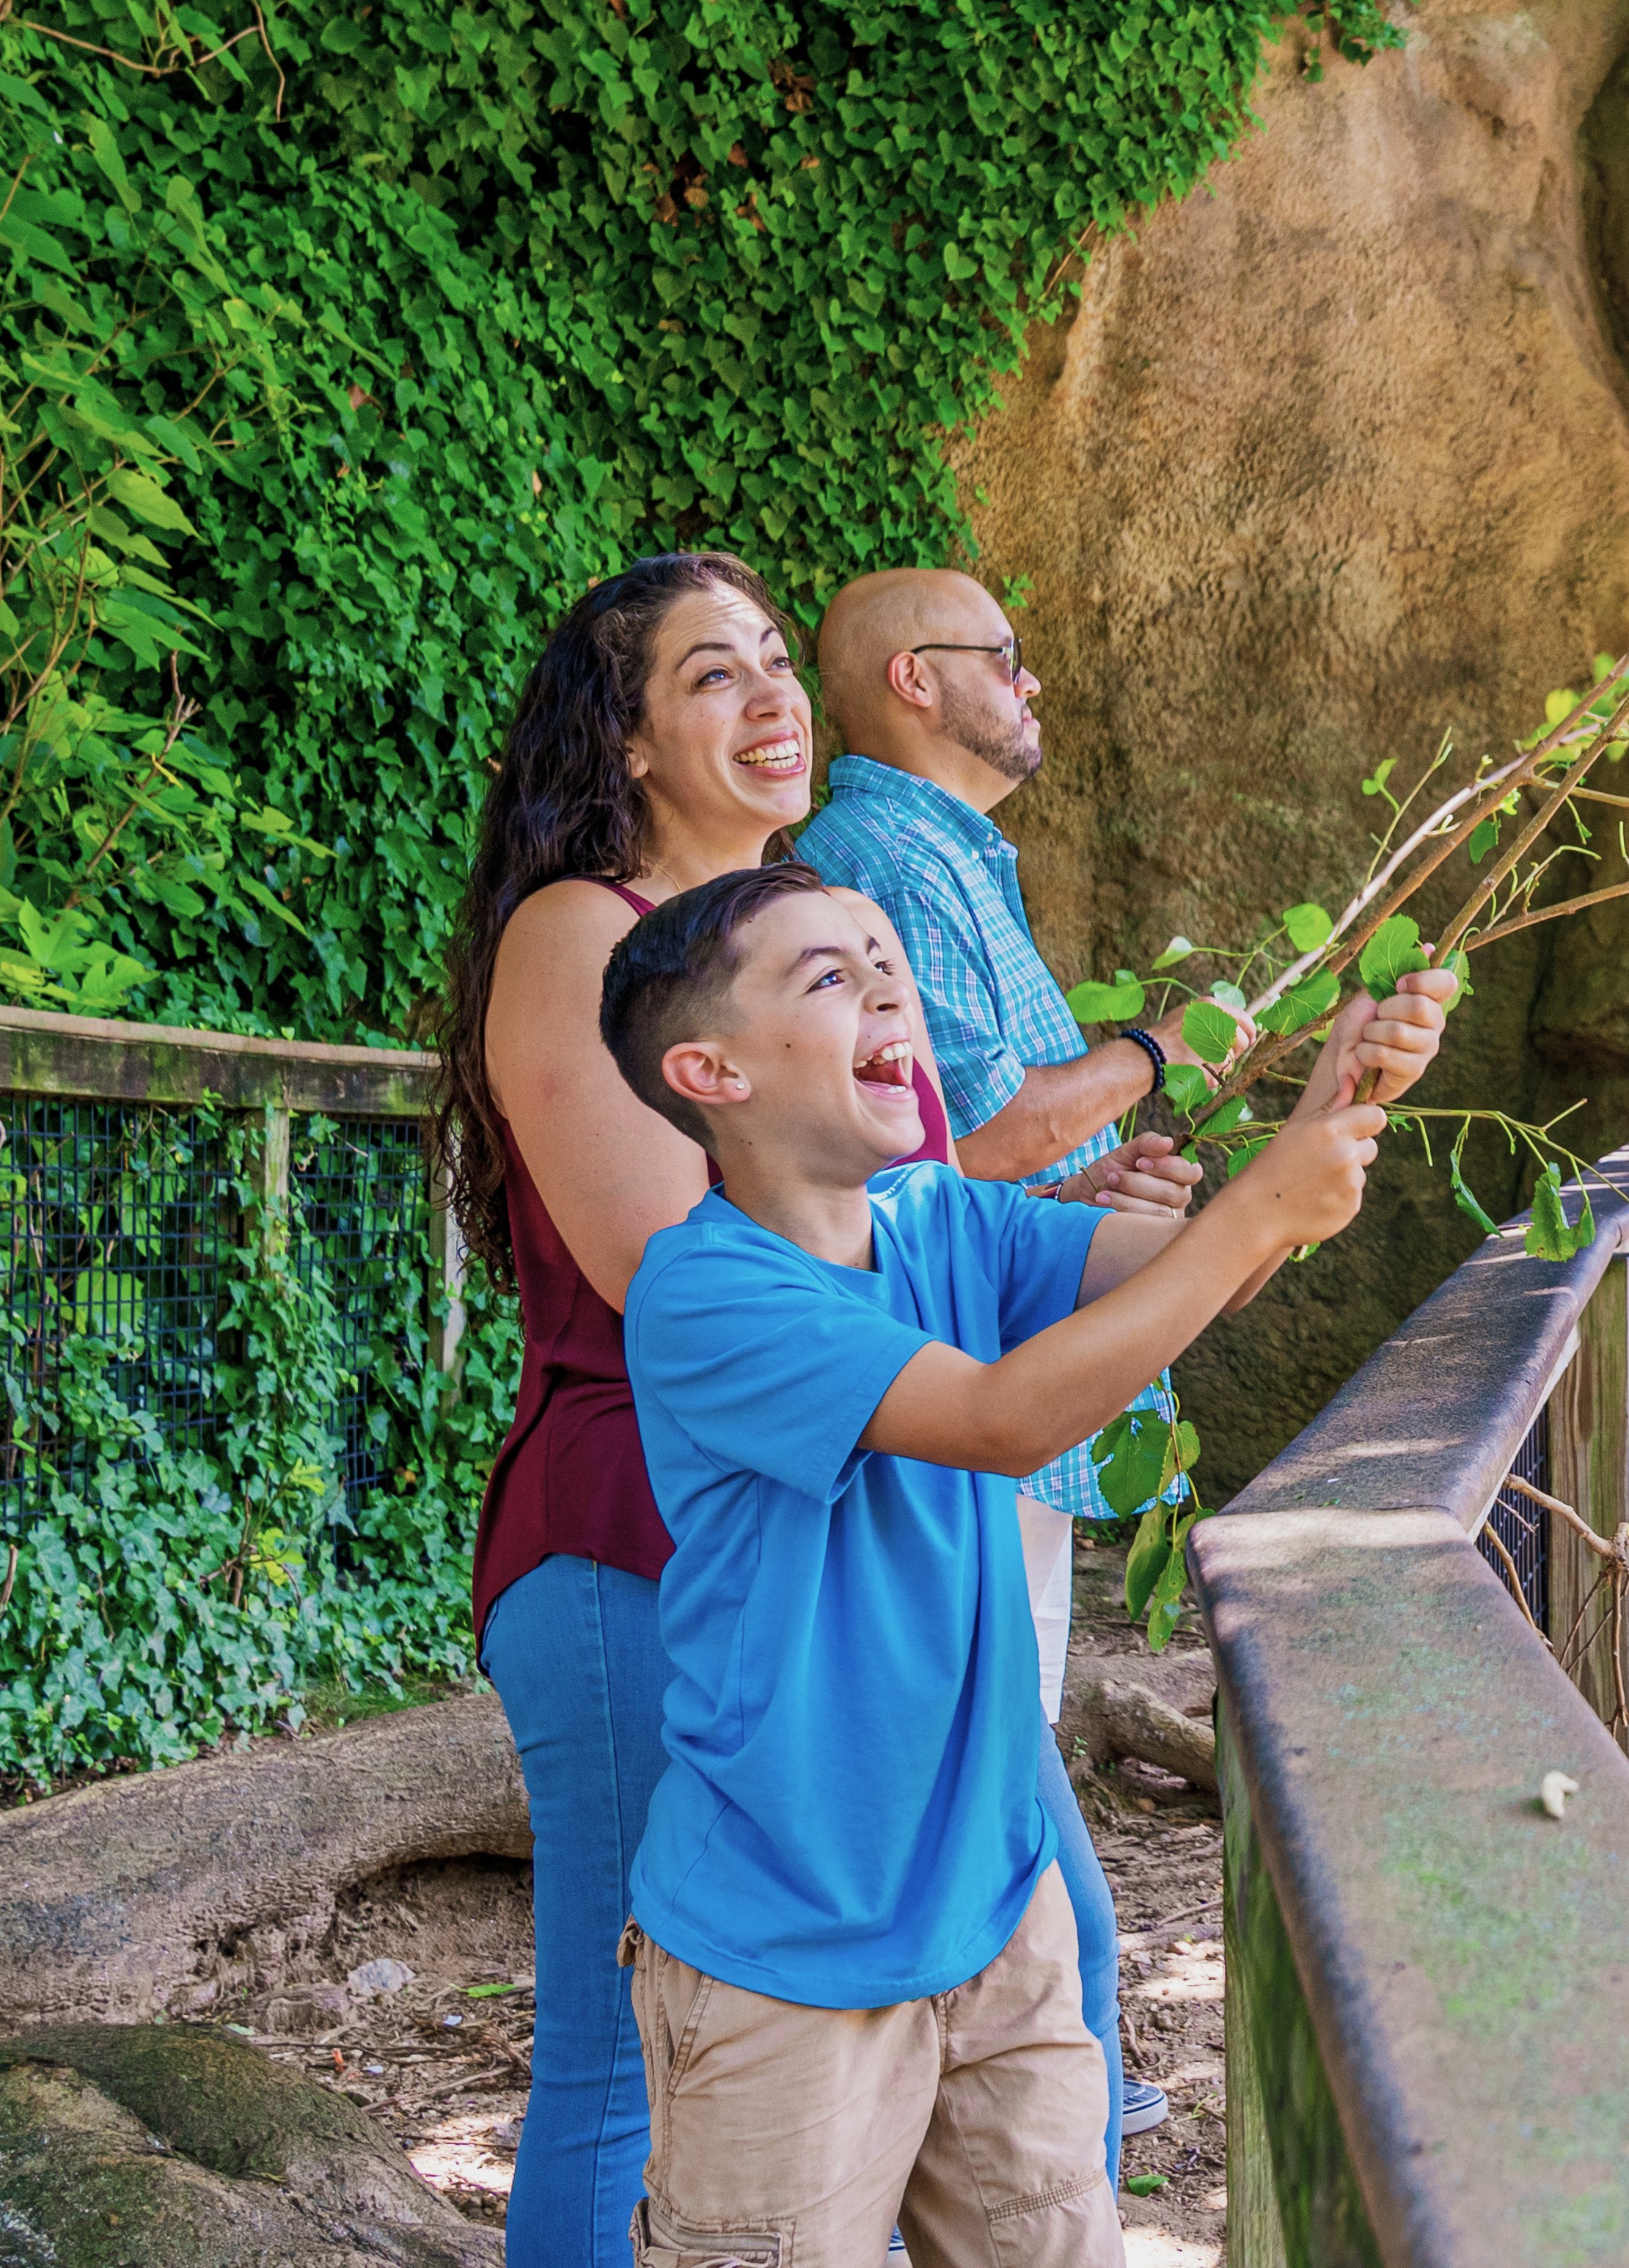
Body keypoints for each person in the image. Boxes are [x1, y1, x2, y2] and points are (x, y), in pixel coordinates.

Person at [440, 557, 1183, 2268]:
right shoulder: (584, 933)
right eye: (715, 675)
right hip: (650, 1541)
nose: (776, 696)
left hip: (884, 1566)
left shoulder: (823, 941)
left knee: (1049, 1936)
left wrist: (1075, 1234)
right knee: (623, 2074)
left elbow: (921, 1221)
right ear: (623, 743)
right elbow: (690, 1275)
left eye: (780, 659)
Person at [596, 865, 1426, 2264]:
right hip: (782, 1951)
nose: (883, 981)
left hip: (996, 1906)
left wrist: (1316, 1127)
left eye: (883, 955)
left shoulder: (943, 1214)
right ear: (708, 1069)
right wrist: (1265, 1204)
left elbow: (1191, 1275)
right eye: (824, 972)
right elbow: (1006, 1417)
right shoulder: (705, 1288)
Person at [799, 568, 1466, 2147]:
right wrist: (1162, 1054)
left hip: (1023, 1325)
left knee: (1010, 1751)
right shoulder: (872, 856)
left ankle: (1054, 2085)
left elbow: (1000, 1171)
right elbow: (979, 1132)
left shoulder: (949, 856)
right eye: (1004, 660)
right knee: (990, 1756)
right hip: (972, 1376)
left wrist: (1113, 1194)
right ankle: (1040, 2091)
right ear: (912, 677)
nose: (1032, 684)